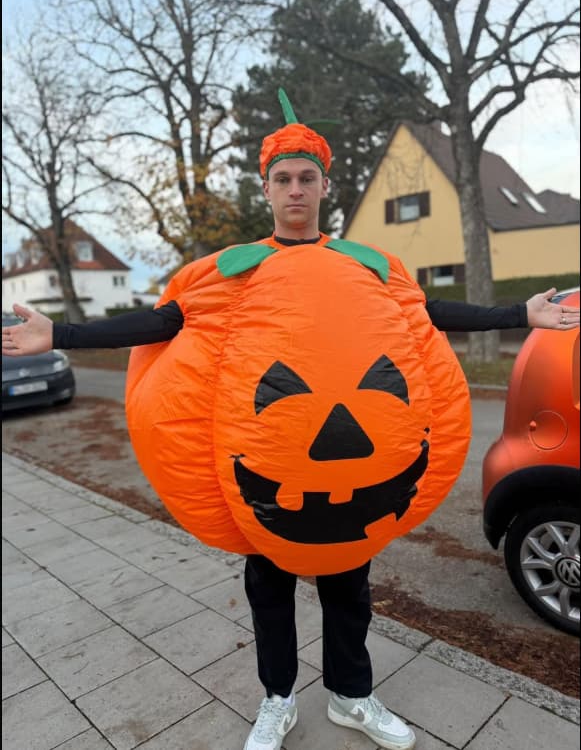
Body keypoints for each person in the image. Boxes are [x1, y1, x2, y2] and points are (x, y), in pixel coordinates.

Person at [2, 90, 579, 750]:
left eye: (307, 178)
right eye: (284, 179)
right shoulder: (229, 275)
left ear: (324, 186)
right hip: (268, 478)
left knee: (349, 595)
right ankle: (277, 700)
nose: (296, 189)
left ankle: (351, 696)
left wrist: (518, 314)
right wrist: (61, 335)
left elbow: (428, 313)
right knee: (269, 596)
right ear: (267, 188)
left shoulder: (368, 269)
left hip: (361, 478)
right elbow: (160, 324)